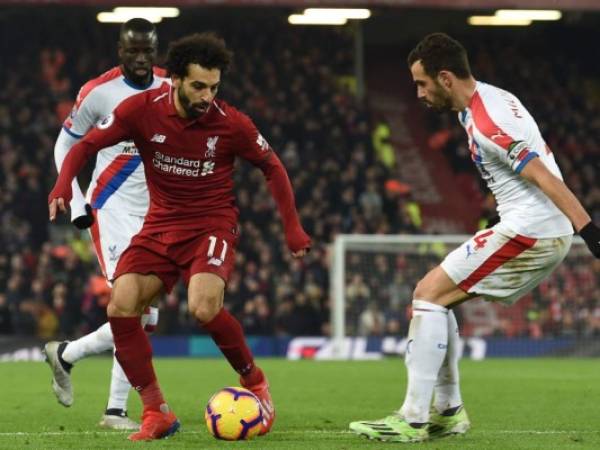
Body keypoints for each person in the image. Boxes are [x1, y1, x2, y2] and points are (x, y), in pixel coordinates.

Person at [48, 32, 311, 441]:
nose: (208, 96)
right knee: (122, 305)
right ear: (174, 80)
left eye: (214, 87)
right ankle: (156, 412)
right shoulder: (140, 110)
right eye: (199, 86)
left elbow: (272, 166)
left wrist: (292, 228)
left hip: (210, 224)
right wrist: (64, 185)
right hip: (159, 226)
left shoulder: (230, 123)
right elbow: (86, 145)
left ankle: (256, 384)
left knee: (203, 308)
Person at [349, 32, 600, 443]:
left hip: (531, 232)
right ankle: (447, 411)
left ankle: (413, 418)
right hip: (533, 227)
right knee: (436, 297)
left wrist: (588, 229)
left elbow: (540, 173)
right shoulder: (486, 100)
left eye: (422, 83)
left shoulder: (487, 121)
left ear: (445, 78)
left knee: (427, 295)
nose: (418, 93)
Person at [42, 18, 167, 430]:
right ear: (120, 50)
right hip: (110, 208)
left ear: (155, 50)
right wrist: (75, 200)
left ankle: (67, 355)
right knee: (132, 309)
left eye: (147, 50)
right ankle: (115, 410)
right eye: (132, 51)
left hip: (155, 214)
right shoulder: (98, 92)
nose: (140, 59)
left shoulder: (169, 88)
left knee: (144, 317)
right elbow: (66, 143)